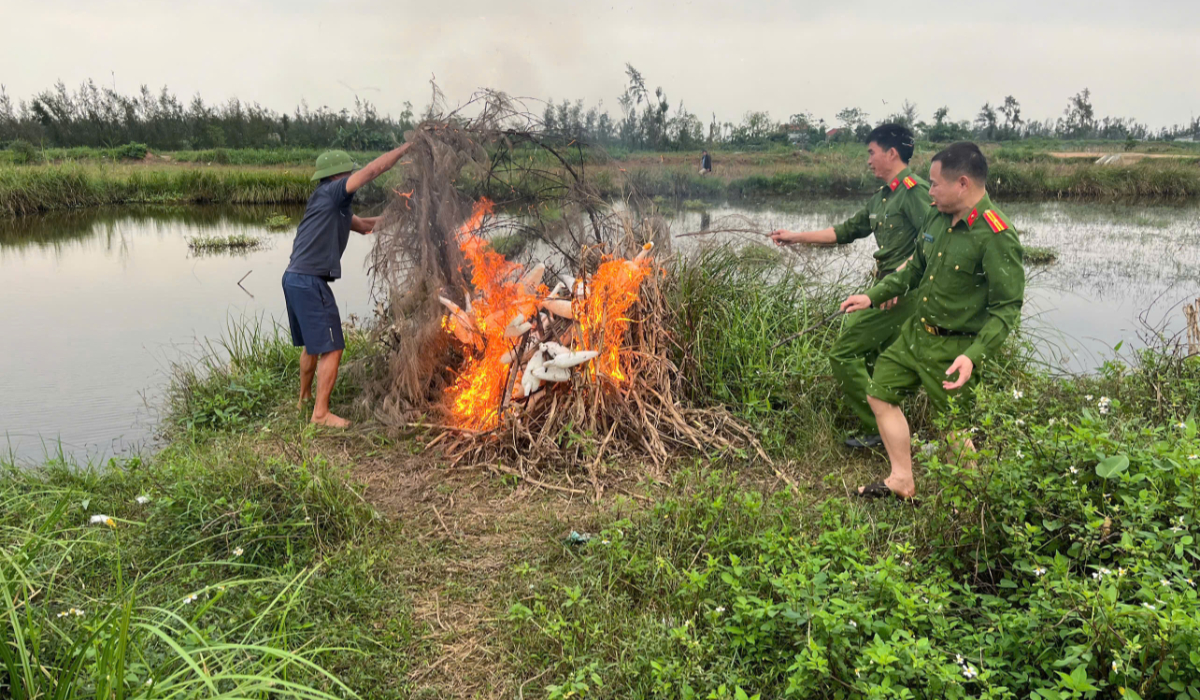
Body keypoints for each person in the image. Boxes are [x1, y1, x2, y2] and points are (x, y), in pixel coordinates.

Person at [839, 141, 1025, 499]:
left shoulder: (996, 234)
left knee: (953, 429)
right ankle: (901, 479)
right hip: (915, 336)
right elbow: (915, 269)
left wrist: (973, 355)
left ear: (963, 184)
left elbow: (1007, 308)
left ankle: (968, 502)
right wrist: (872, 296)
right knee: (879, 394)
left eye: (936, 184)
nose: (930, 191)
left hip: (953, 348)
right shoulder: (937, 217)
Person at [770, 124, 931, 449]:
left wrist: (896, 282)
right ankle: (891, 428)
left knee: (843, 353)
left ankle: (881, 430)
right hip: (885, 289)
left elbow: (933, 238)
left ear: (891, 153)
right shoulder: (882, 198)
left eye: (872, 153)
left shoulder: (914, 191)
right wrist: (795, 237)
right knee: (875, 356)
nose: (868, 160)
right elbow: (844, 231)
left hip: (902, 293)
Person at [283, 144, 412, 427]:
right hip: (309, 280)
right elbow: (374, 170)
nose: (352, 176)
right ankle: (320, 414)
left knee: (312, 345)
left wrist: (401, 216)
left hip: (294, 278)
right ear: (336, 176)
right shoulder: (333, 192)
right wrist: (406, 147)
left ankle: (304, 399)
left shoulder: (330, 203)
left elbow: (365, 226)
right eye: (348, 173)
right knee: (333, 346)